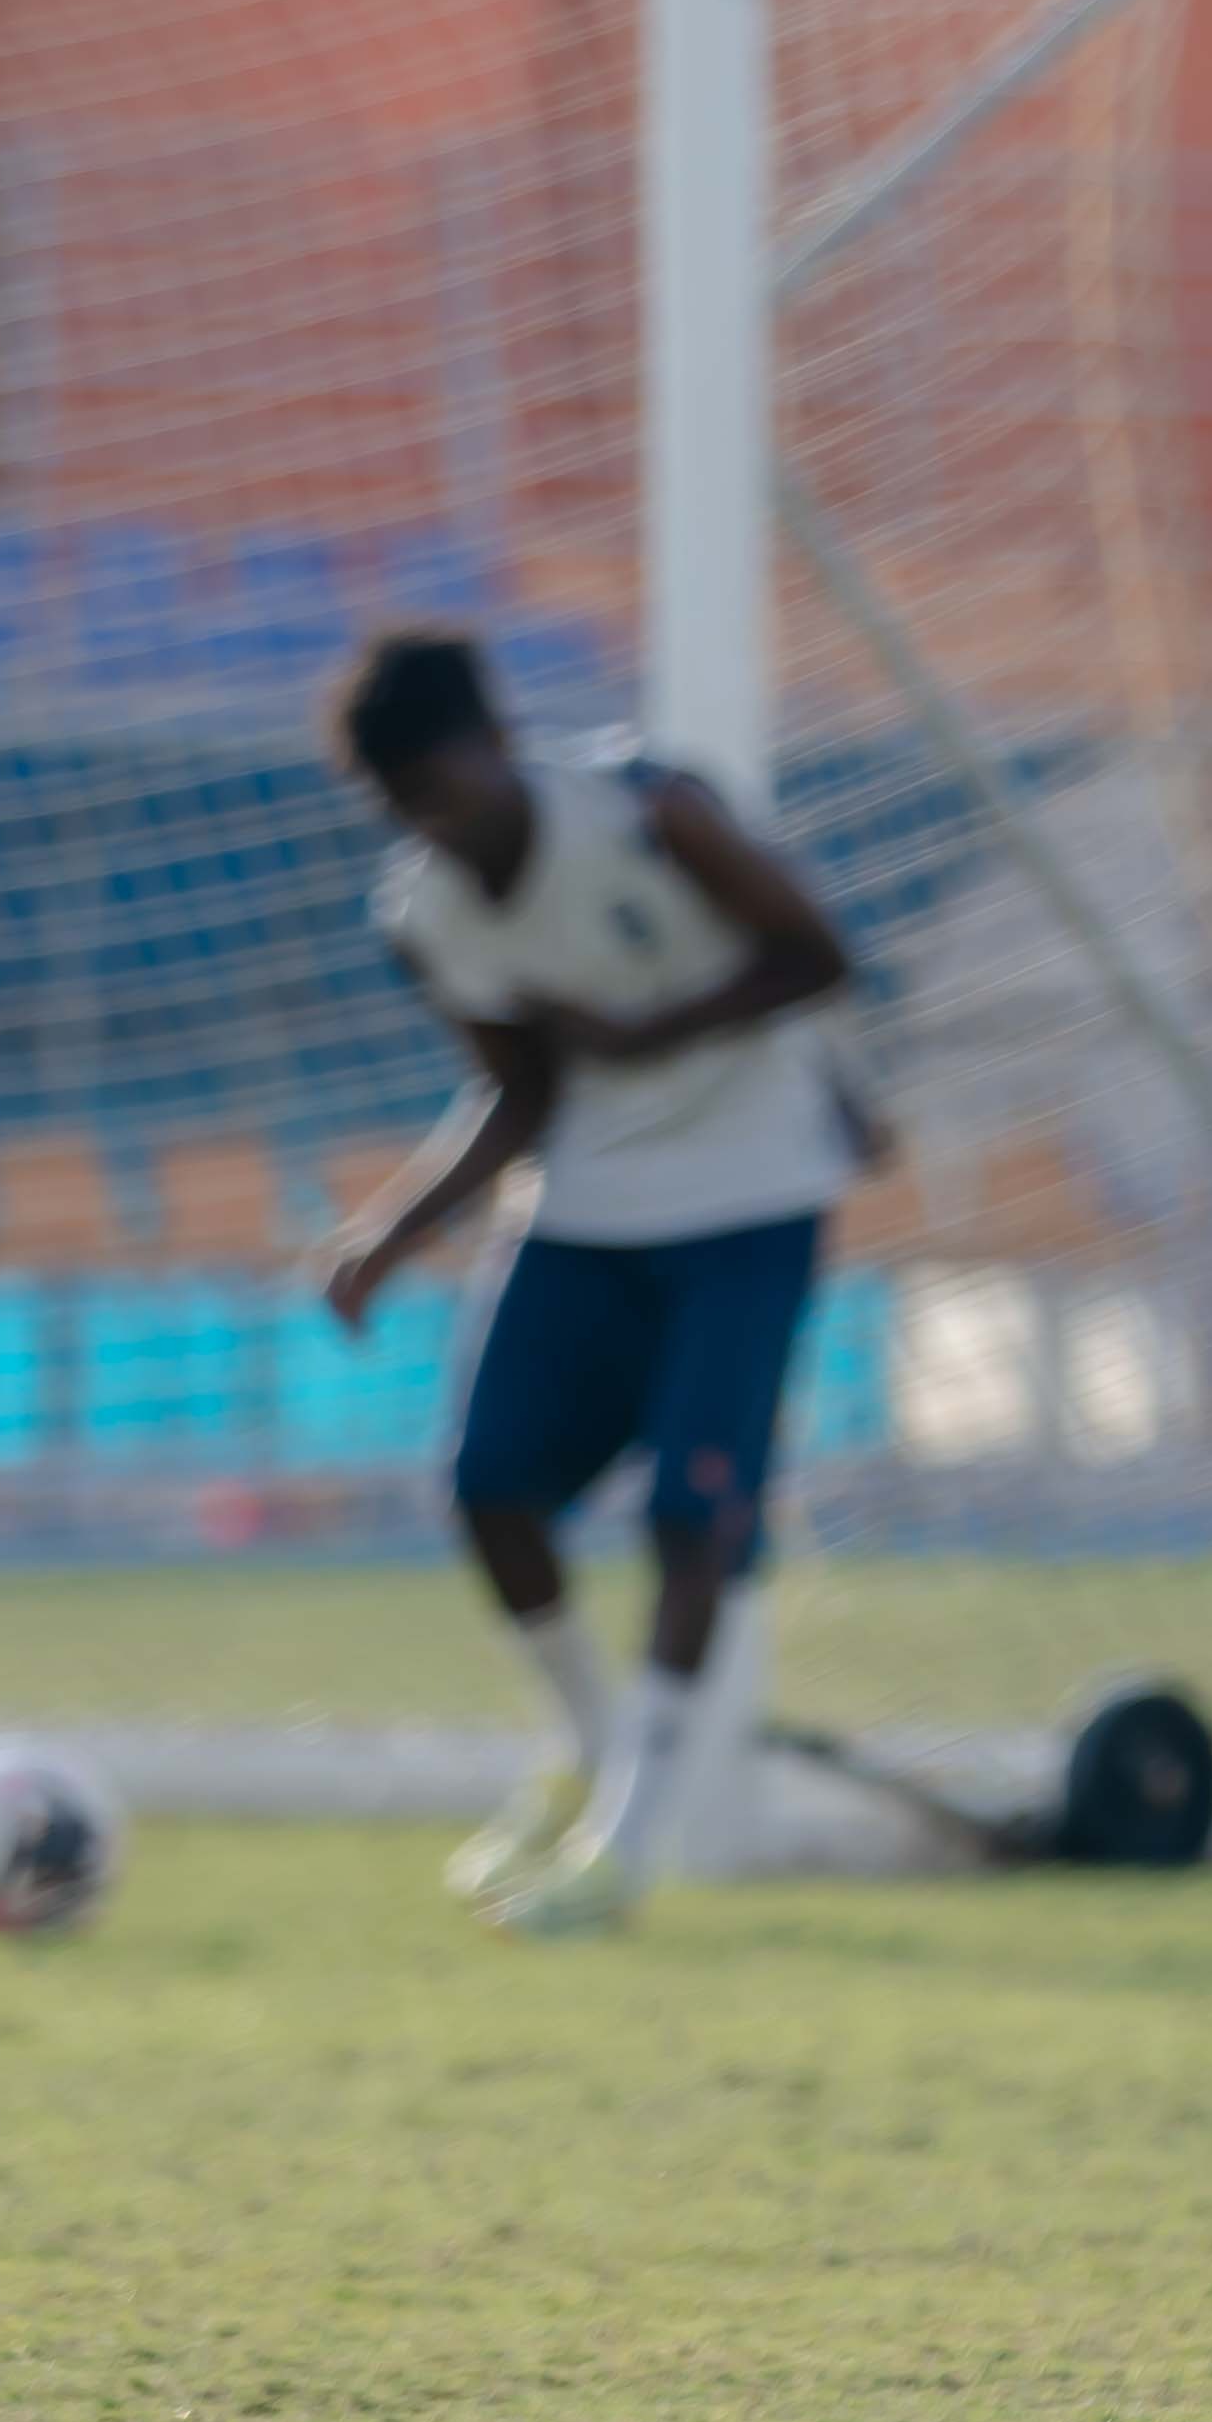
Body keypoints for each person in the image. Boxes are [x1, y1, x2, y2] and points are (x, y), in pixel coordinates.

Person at [312, 629, 868, 1942]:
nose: (431, 823)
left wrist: (653, 1030)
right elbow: (522, 1092)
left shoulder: (650, 814)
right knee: (486, 1484)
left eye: (440, 788)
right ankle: (586, 1745)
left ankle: (625, 1843)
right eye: (401, 805)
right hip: (585, 1209)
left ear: (499, 743)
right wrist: (390, 1234)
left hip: (751, 1193)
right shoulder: (423, 913)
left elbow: (817, 953)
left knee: (693, 1510)